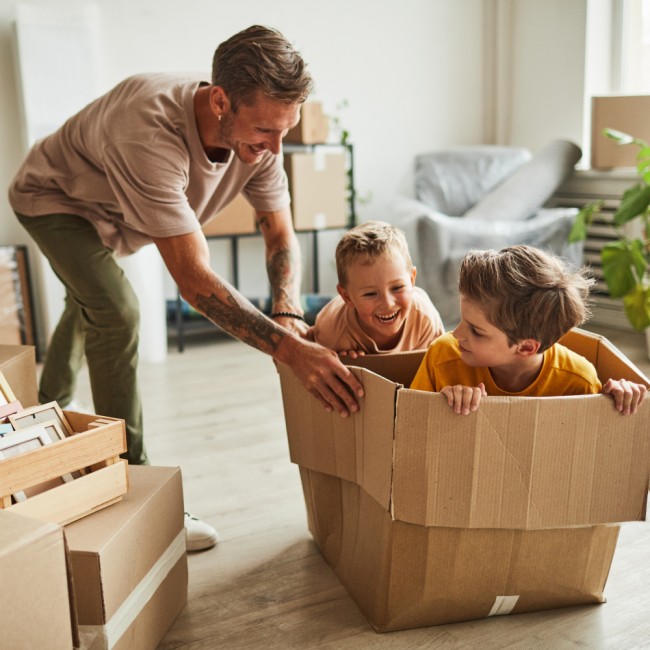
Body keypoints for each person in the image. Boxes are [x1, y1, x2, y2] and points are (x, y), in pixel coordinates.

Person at [7, 25, 363, 551]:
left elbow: (279, 234)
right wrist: (291, 351)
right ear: (221, 100)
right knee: (116, 310)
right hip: (56, 198)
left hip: (117, 211)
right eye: (265, 130)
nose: (274, 148)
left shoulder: (260, 138)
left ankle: (45, 414)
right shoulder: (148, 132)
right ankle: (135, 486)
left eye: (284, 131)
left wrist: (287, 312)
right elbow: (195, 282)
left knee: (92, 300)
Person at [410, 245, 647, 415]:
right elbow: (408, 426)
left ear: (525, 347)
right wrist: (440, 407)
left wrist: (619, 400)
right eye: (463, 320)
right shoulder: (443, 356)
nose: (456, 334)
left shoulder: (577, 381)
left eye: (476, 331)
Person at [311, 221, 444, 356]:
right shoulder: (331, 332)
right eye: (370, 294)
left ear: (411, 280)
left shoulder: (425, 319)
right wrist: (344, 364)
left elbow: (441, 368)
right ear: (347, 297)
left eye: (397, 287)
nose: (387, 303)